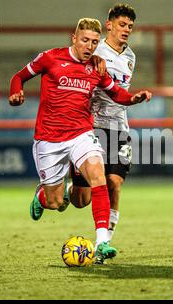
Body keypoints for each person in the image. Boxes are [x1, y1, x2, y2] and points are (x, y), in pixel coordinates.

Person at [8, 18, 152, 263]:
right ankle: (43, 196)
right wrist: (15, 91)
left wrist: (133, 98)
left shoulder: (97, 67)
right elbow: (18, 76)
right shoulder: (50, 58)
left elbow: (116, 93)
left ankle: (102, 242)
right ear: (73, 38)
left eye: (95, 42)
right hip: (49, 139)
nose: (89, 46)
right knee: (56, 202)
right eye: (85, 40)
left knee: (98, 175)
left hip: (81, 135)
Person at [67, 4, 138, 246]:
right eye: (122, 24)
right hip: (92, 126)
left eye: (130, 26)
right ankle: (62, 190)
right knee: (80, 200)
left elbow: (119, 91)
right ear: (109, 25)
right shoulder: (94, 51)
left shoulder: (130, 56)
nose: (126, 29)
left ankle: (104, 242)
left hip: (119, 128)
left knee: (114, 183)